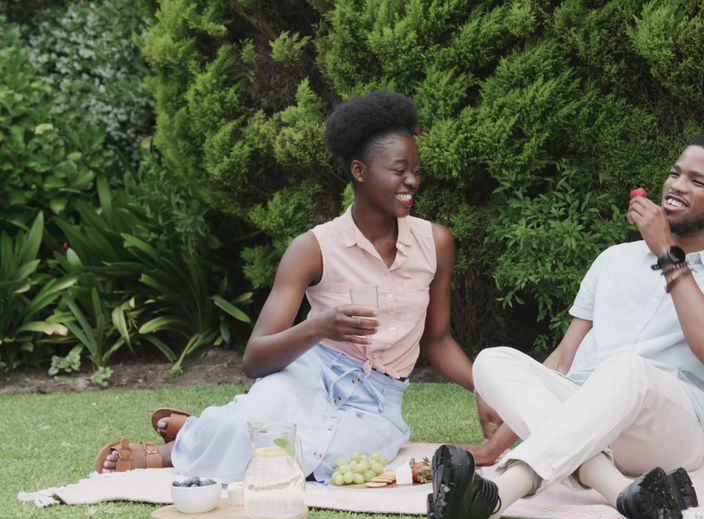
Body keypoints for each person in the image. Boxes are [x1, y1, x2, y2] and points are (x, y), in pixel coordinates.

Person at [94, 91, 496, 483]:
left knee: (335, 459)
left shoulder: (435, 243)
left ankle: (210, 427)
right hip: (310, 374)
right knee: (261, 433)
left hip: (378, 399)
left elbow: (438, 338)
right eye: (398, 170)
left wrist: (484, 386)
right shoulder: (312, 248)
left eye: (416, 171)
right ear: (359, 171)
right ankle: (176, 449)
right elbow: (255, 359)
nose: (412, 181)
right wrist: (319, 327)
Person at [427, 135, 704, 519]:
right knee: (491, 361)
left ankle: (501, 493)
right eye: (675, 173)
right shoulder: (613, 259)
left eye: (697, 181)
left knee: (626, 368)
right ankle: (618, 491)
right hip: (589, 419)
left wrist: (667, 254)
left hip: (665, 432)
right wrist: (495, 446)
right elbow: (562, 362)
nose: (677, 185)